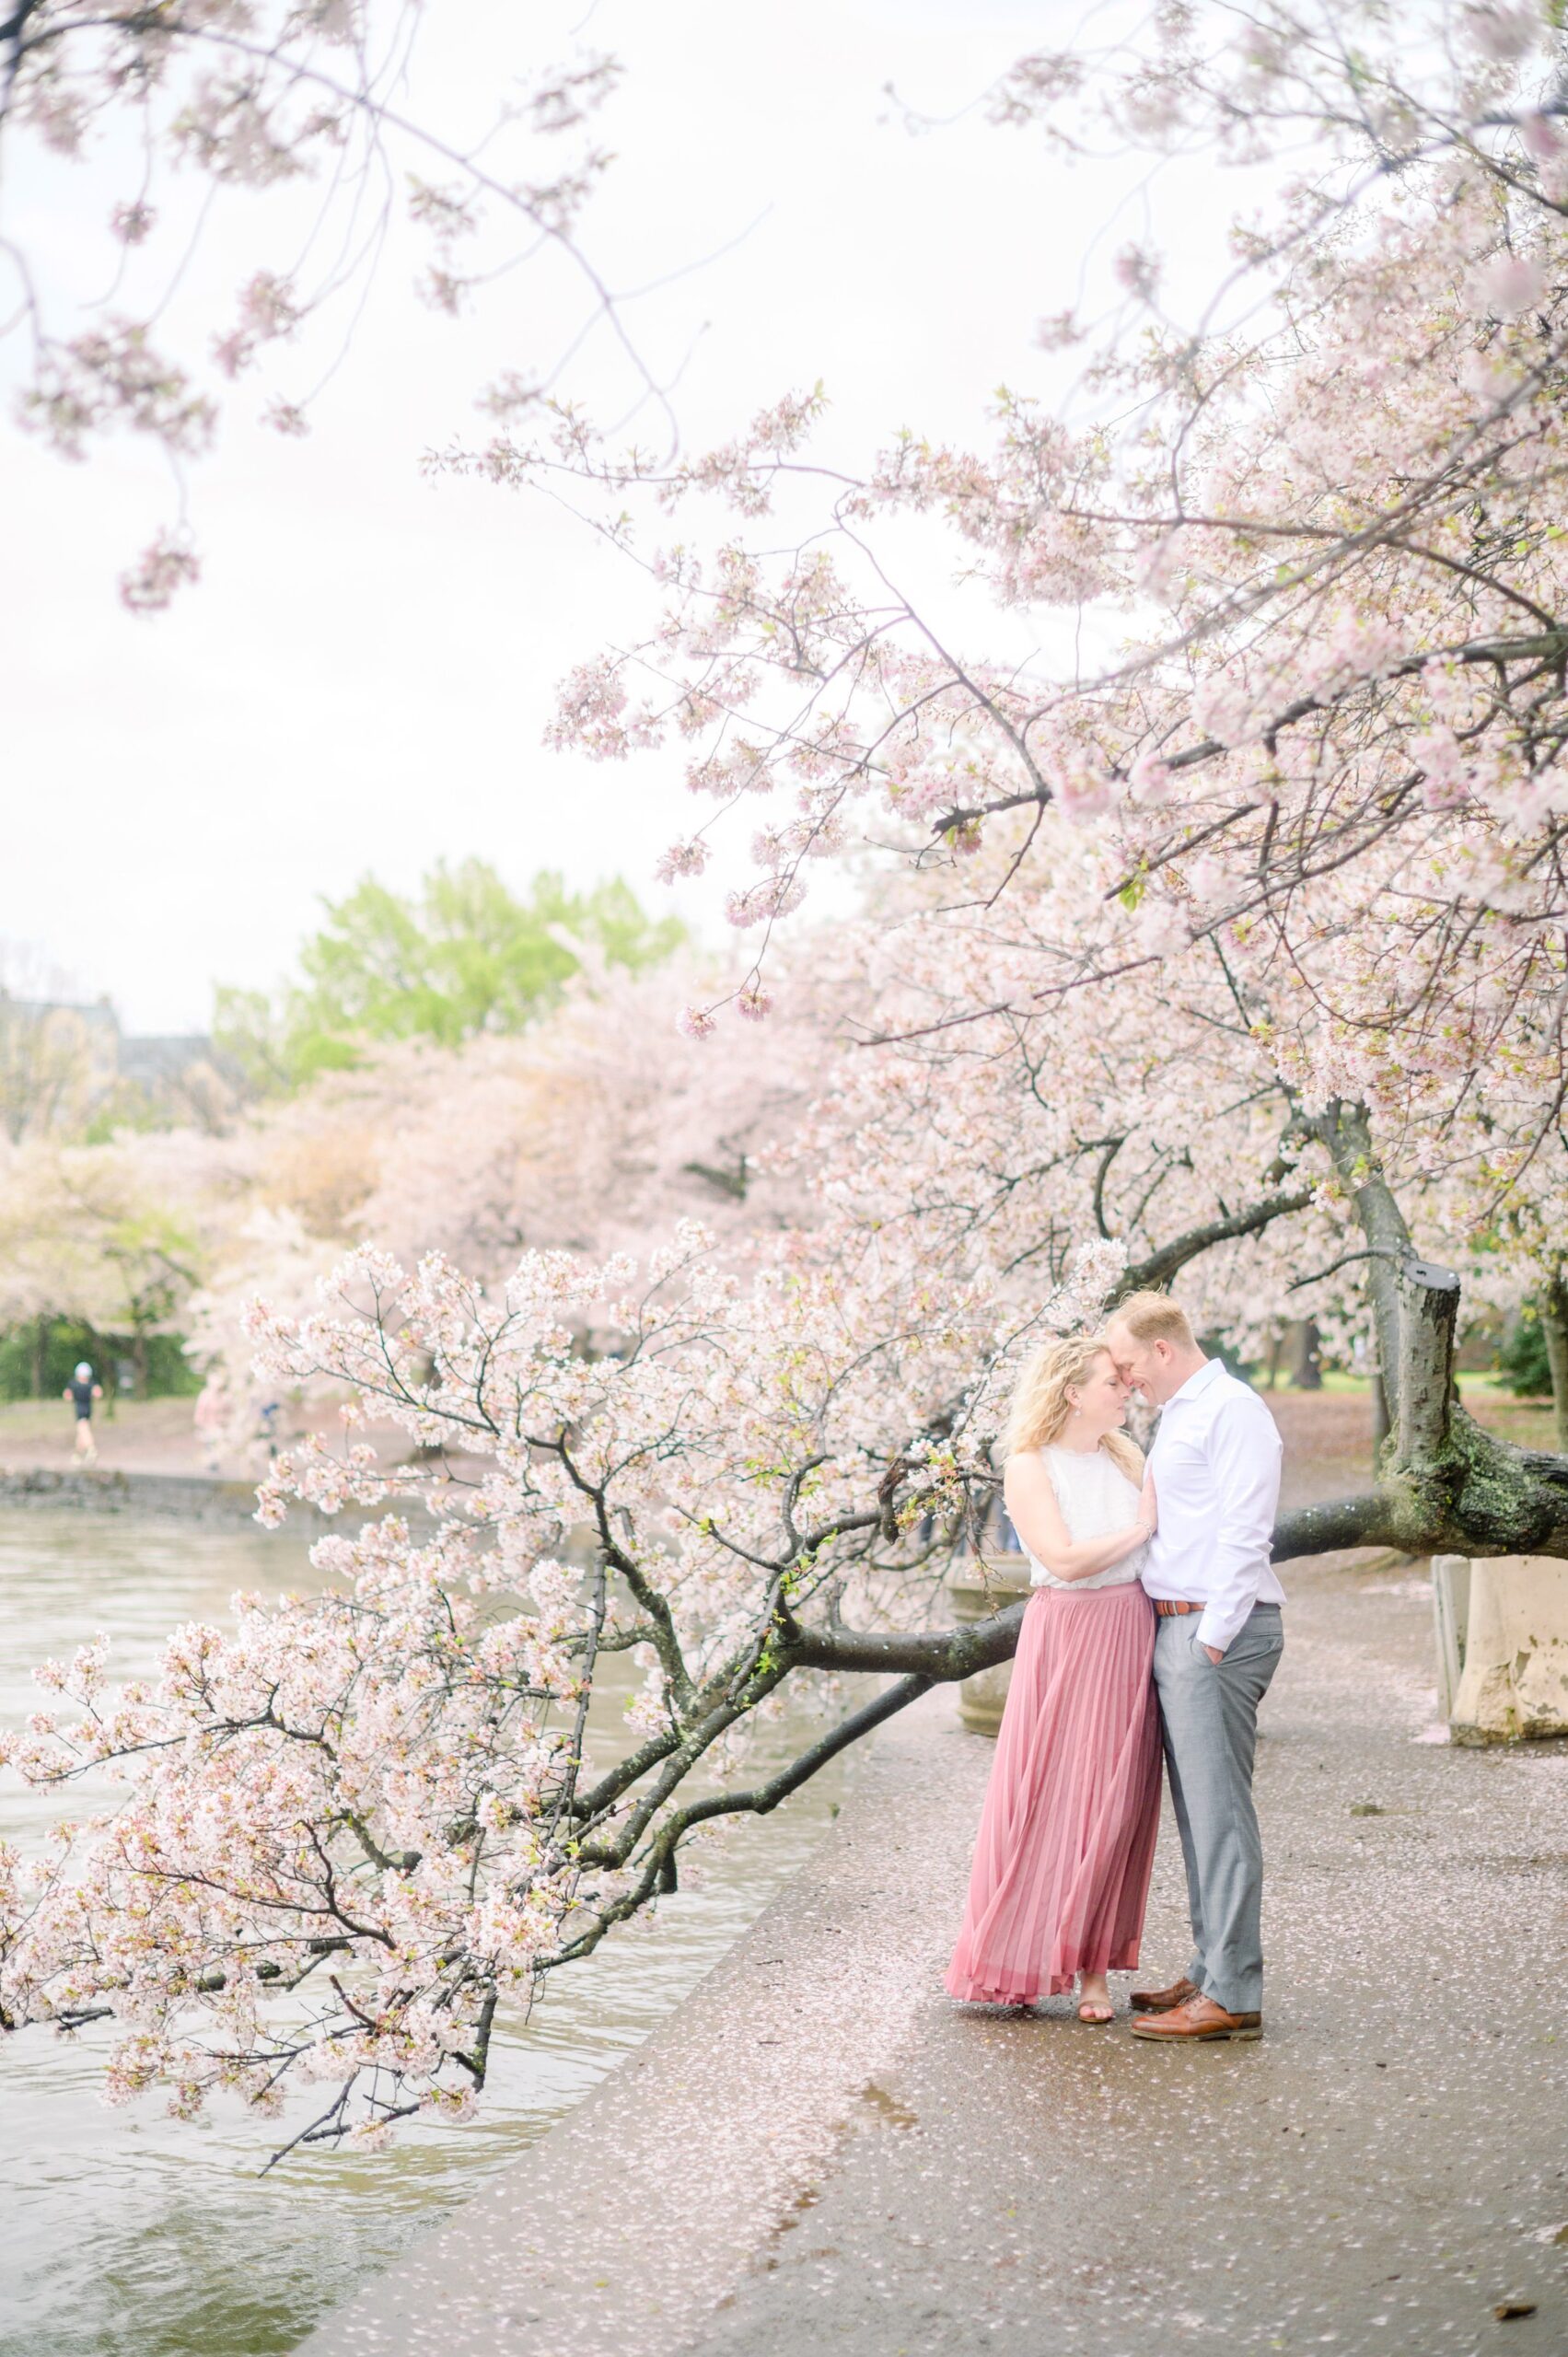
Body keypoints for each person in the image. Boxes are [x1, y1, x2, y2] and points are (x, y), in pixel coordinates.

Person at [947, 1335, 1163, 2024]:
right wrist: (1144, 1530)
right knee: (1057, 1791)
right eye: (1112, 1381)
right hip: (1068, 1630)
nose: (1125, 1389)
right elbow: (1063, 1560)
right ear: (1072, 1392)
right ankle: (1038, 1956)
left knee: (1114, 1798)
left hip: (1130, 1628)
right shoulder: (1029, 1466)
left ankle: (1093, 1963)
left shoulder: (1126, 1457)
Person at [1103, 1292, 1284, 2044]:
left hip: (1216, 1632)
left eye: (1126, 1364)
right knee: (1197, 1816)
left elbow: (1247, 1533)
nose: (1123, 1378)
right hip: (1180, 1630)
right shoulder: (1180, 1411)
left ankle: (1234, 1993)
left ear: (1162, 1349)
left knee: (1219, 1816)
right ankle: (1211, 1970)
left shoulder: (1233, 1410)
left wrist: (1209, 1639)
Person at [63, 1360, 104, 1463]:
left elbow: (67, 1396)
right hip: (88, 1408)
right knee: (82, 1432)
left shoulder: (73, 1384)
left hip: (80, 1408)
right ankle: (77, 1455)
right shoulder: (91, 1384)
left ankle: (91, 1449)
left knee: (83, 1430)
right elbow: (98, 1393)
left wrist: (72, 1397)